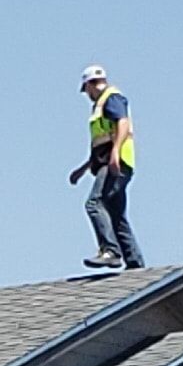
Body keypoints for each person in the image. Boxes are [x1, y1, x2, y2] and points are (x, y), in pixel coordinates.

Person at [68, 65, 145, 271]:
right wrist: (84, 169)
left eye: (87, 91)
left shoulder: (111, 99)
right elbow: (102, 144)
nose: (88, 96)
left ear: (89, 85)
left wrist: (115, 153)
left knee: (94, 203)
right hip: (112, 162)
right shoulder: (103, 105)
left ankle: (110, 251)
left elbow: (123, 124)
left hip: (115, 163)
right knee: (115, 213)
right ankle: (135, 264)